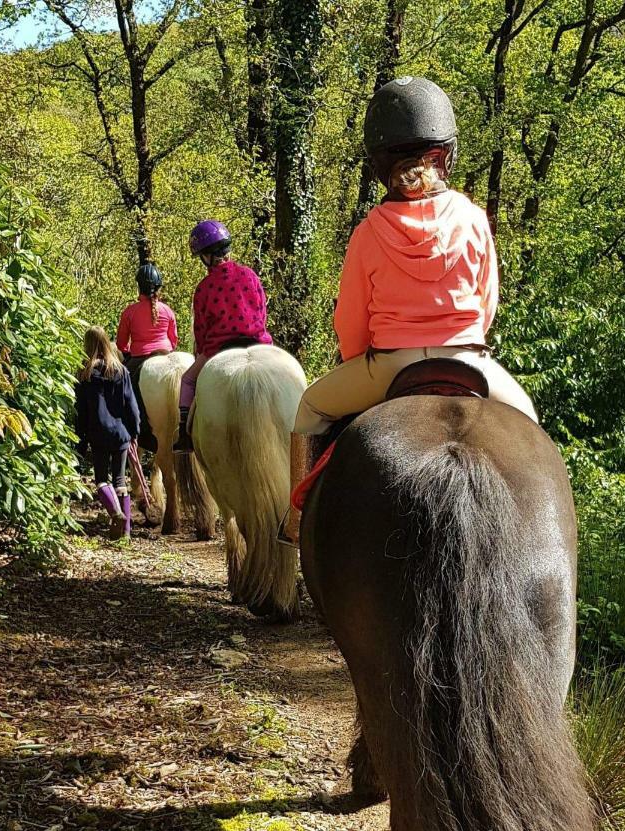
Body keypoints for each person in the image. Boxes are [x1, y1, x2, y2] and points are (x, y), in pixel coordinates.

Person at [281, 76, 537, 545]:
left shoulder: (369, 230)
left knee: (309, 408)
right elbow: (487, 302)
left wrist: (361, 358)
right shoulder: (473, 217)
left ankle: (296, 523)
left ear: (381, 165)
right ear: (445, 154)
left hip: (388, 367)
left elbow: (351, 324)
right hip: (467, 361)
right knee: (531, 427)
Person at [173, 220, 273, 453]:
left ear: (206, 256)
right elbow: (262, 312)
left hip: (219, 348)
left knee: (187, 380)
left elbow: (201, 329)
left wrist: (201, 351)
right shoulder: (250, 275)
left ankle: (183, 438)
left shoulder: (204, 287)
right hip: (259, 343)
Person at [75, 326, 141, 540]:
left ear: (88, 345)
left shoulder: (84, 373)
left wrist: (80, 439)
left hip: (97, 433)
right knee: (120, 480)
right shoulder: (121, 371)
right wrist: (135, 430)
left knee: (102, 480)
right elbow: (131, 404)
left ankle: (116, 513)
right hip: (120, 433)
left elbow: (81, 411)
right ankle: (126, 533)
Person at [117, 263, 178, 452]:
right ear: (159, 287)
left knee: (121, 393)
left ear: (139, 287)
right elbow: (174, 340)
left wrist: (129, 350)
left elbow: (120, 343)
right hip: (167, 353)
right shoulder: (167, 311)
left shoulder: (130, 312)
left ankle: (126, 427)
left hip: (138, 358)